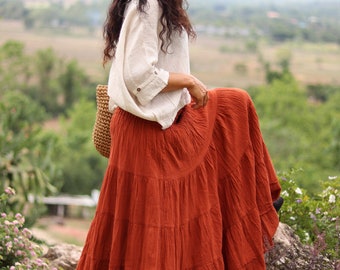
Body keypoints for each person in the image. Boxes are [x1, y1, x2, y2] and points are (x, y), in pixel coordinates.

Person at [77, 0, 282, 269]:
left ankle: (260, 200)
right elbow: (138, 75)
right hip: (145, 132)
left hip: (153, 125)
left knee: (235, 103)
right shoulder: (149, 4)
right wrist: (189, 81)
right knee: (151, 233)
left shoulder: (157, 5)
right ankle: (259, 201)